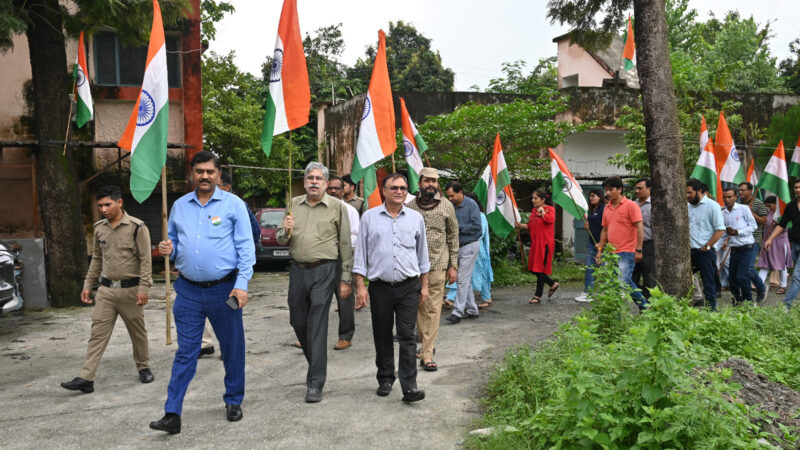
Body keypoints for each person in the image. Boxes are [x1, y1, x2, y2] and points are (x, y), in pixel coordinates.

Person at [150, 151, 256, 434]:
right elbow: (172, 238)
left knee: (232, 350)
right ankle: (172, 413)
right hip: (187, 292)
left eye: (210, 171)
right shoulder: (180, 206)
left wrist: (242, 284)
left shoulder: (234, 205)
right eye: (200, 171)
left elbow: (247, 249)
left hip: (224, 290)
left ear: (219, 175)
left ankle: (233, 400)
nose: (205, 176)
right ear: (192, 174)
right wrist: (166, 248)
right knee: (186, 351)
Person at [61, 185, 153, 394]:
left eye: (107, 204)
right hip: (106, 291)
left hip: (131, 291)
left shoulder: (137, 227)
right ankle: (86, 377)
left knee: (137, 332)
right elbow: (96, 259)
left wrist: (144, 288)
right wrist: (88, 284)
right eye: (100, 205)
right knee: (97, 334)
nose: (103, 209)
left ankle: (144, 366)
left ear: (119, 202)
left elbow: (146, 260)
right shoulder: (99, 228)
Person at [277, 162, 353, 403]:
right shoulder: (293, 205)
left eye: (319, 178)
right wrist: (285, 230)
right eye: (310, 177)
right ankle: (316, 363)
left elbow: (345, 245)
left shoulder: (337, 207)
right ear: (305, 180)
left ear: (326, 182)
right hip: (298, 271)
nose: (313, 182)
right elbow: (280, 239)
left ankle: (315, 382)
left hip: (325, 270)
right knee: (297, 320)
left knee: (317, 324)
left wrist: (346, 278)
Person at [353, 173, 429, 403]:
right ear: (383, 190)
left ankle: (410, 386)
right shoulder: (369, 217)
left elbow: (423, 255)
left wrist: (424, 286)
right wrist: (360, 286)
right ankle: (385, 378)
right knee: (382, 334)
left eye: (403, 188)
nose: (399, 191)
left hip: (408, 287)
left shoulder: (415, 218)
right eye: (394, 187)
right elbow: (360, 256)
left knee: (407, 336)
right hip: (380, 288)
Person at [200, 172, 261, 358]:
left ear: (227, 187)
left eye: (217, 185)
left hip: (228, 273)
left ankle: (229, 350)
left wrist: (236, 252)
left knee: (227, 314)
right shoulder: (201, 204)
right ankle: (205, 344)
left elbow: (255, 232)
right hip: (202, 271)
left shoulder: (237, 205)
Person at [407, 168, 458, 373]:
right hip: (414, 267)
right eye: (427, 181)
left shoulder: (447, 206)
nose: (431, 184)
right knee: (420, 306)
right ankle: (427, 344)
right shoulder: (410, 207)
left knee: (434, 309)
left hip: (438, 264)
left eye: (434, 181)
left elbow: (453, 236)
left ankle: (427, 354)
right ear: (419, 183)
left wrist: (453, 265)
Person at [595, 176, 647, 310]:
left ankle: (644, 306)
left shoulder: (631, 205)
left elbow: (640, 227)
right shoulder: (607, 207)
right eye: (606, 190)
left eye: (611, 189)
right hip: (611, 253)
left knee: (623, 281)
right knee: (612, 283)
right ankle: (615, 312)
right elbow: (605, 230)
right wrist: (600, 251)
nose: (607, 193)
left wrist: (639, 249)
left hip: (627, 250)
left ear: (620, 189)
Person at [325, 174, 360, 350]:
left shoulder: (349, 210)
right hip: (320, 260)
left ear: (342, 190)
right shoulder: (318, 209)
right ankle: (309, 335)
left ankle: (345, 336)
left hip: (341, 259)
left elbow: (356, 236)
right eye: (329, 188)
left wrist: (340, 243)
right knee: (316, 299)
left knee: (344, 298)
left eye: (336, 188)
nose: (332, 191)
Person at [443, 181, 482, 324]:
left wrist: (457, 227)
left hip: (470, 246)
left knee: (462, 280)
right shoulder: (450, 206)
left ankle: (457, 312)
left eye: (452, 196)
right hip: (456, 247)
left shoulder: (472, 205)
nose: (451, 199)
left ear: (460, 192)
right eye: (448, 197)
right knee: (465, 280)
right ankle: (472, 309)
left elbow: (477, 227)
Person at [686, 178, 726, 311]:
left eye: (690, 193)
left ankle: (712, 312)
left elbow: (720, 229)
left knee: (708, 284)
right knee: (684, 281)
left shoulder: (712, 206)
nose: (687, 196)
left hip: (705, 252)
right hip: (689, 252)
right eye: (686, 193)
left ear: (699, 191)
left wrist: (707, 246)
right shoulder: (686, 206)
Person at [763, 179, 800, 311]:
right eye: (796, 187)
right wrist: (770, 239)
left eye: (799, 187)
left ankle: (786, 305)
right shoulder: (791, 206)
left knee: (797, 276)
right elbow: (782, 224)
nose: (797, 190)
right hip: (795, 244)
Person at [516, 190, 558, 304]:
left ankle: (537, 296)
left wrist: (543, 212)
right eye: (533, 198)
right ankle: (552, 283)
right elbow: (531, 226)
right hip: (536, 244)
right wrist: (521, 225)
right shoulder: (534, 211)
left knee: (539, 269)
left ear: (543, 200)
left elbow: (550, 220)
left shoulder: (550, 209)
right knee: (533, 268)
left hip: (545, 244)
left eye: (535, 198)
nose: (533, 200)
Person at [721, 187, 757, 305]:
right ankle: (736, 301)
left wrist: (738, 232)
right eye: (725, 197)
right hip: (734, 249)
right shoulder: (723, 213)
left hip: (746, 247)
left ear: (735, 197)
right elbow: (722, 231)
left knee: (741, 276)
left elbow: (753, 226)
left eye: (729, 197)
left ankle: (748, 301)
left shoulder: (744, 209)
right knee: (732, 278)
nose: (727, 199)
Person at [738, 182, 768, 302]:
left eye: (743, 190)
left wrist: (751, 212)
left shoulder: (758, 204)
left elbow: (764, 221)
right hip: (740, 240)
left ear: (751, 191)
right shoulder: (739, 203)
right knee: (739, 270)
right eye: (739, 190)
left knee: (749, 268)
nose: (740, 192)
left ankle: (761, 287)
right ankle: (745, 295)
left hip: (753, 240)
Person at [756, 196, 792, 294]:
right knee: (764, 264)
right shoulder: (768, 213)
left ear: (776, 204)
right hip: (767, 242)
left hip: (779, 243)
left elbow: (786, 227)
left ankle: (783, 286)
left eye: (769, 206)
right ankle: (759, 284)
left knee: (782, 265)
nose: (768, 208)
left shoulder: (783, 214)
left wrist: (777, 223)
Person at [575, 189, 604, 302]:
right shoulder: (592, 210)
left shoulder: (604, 209)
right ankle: (589, 292)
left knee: (607, 268)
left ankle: (615, 292)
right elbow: (593, 225)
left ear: (600, 197)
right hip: (592, 243)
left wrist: (601, 243)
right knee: (589, 267)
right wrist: (588, 226)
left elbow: (605, 227)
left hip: (604, 243)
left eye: (593, 196)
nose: (591, 198)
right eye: (590, 196)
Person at [632, 177, 656, 299]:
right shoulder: (632, 205)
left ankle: (649, 307)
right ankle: (641, 302)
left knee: (649, 278)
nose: (637, 191)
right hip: (632, 245)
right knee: (631, 278)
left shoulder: (654, 206)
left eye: (640, 188)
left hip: (648, 245)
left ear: (649, 189)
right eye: (636, 188)